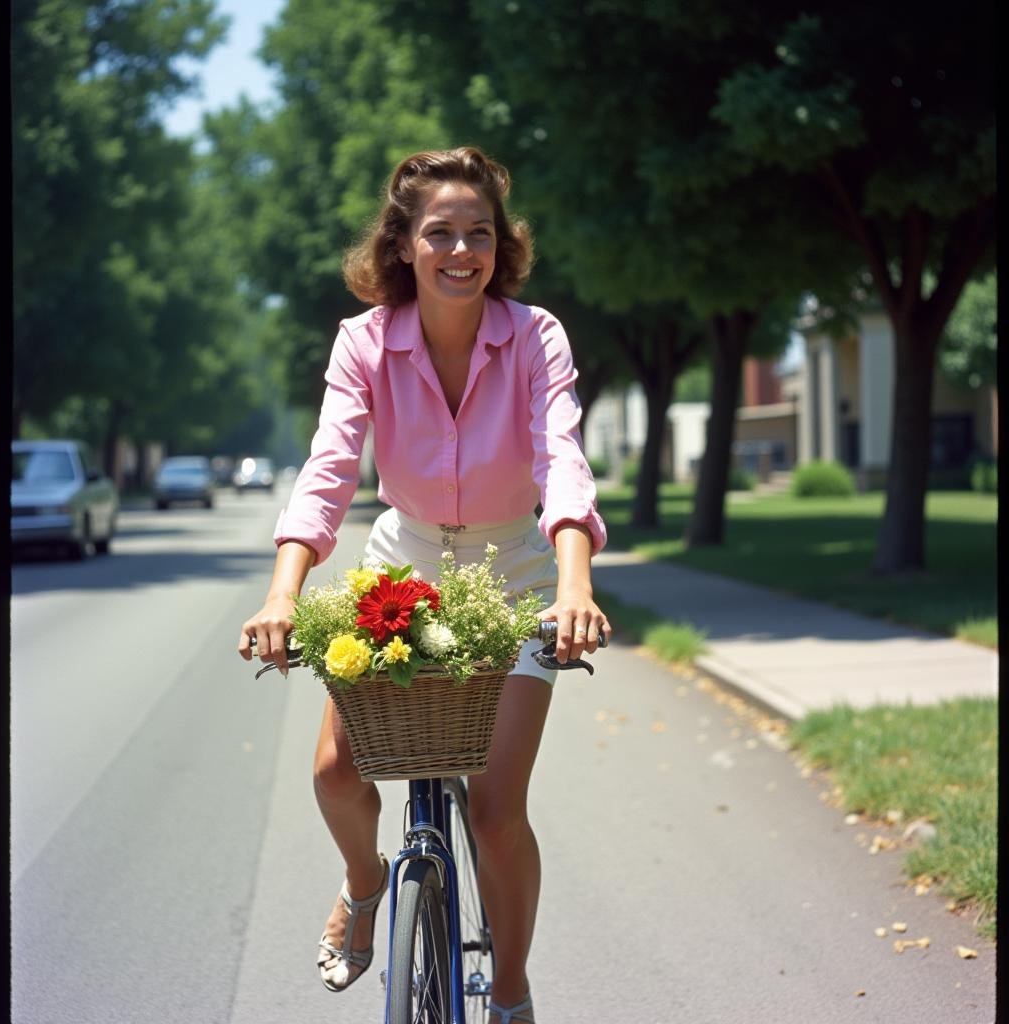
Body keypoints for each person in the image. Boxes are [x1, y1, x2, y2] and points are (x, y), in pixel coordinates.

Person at [238, 146, 610, 1024]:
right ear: (403, 244)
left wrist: (573, 583)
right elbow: (329, 470)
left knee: (494, 812)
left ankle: (511, 990)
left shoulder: (533, 335)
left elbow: (562, 457)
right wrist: (284, 592)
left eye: (478, 233)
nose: (460, 250)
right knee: (335, 771)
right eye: (438, 232)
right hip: (401, 564)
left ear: (499, 245)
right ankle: (366, 886)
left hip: (516, 571)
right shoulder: (364, 342)